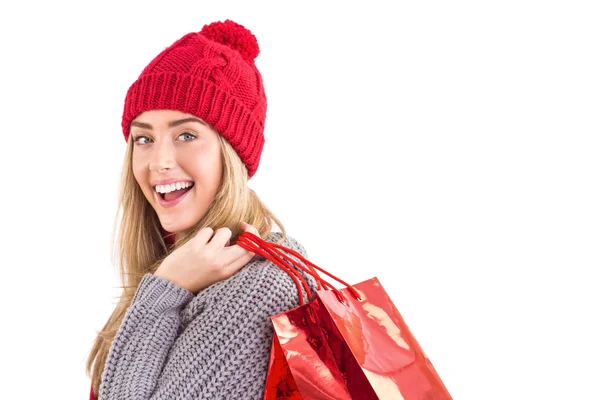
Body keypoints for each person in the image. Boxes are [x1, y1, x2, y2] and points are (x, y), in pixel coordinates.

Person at [85, 19, 317, 400]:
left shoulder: (259, 286)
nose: (158, 161)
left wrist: (163, 292)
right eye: (144, 138)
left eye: (187, 135)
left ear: (233, 154)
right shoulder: (182, 265)